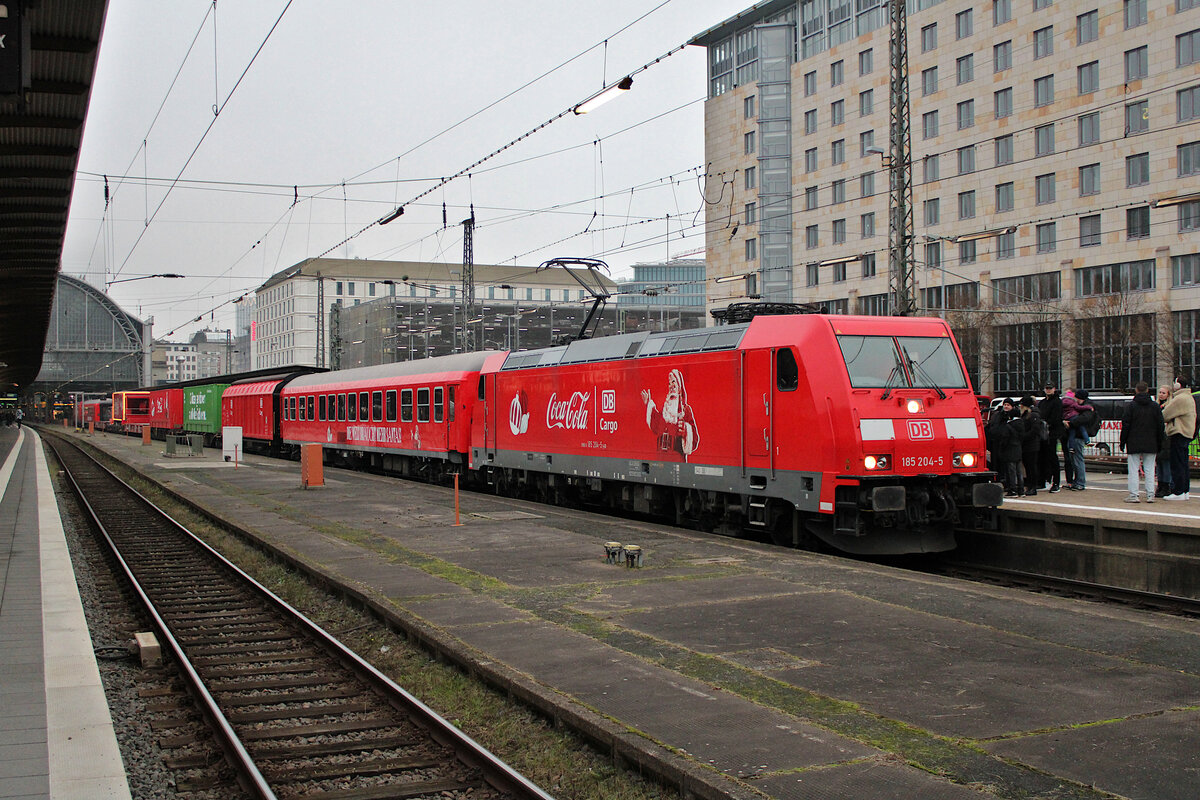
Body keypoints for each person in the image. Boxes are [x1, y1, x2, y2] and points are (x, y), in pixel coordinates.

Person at [1119, 382, 1165, 503]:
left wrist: (1122, 442)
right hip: (1151, 442)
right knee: (1150, 469)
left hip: (1133, 441)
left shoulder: (1131, 406)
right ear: (1148, 390)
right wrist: (1160, 442)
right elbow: (1160, 425)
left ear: (1136, 390)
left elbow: (1126, 425)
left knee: (1133, 470)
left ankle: (1134, 495)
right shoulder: (1155, 406)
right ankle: (1150, 495)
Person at [1162, 376, 1197, 501]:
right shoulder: (1188, 397)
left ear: (1178, 385)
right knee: (1183, 463)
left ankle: (1178, 491)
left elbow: (1165, 414)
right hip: (1186, 433)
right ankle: (1185, 490)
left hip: (1179, 432)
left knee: (1177, 463)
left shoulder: (1180, 398)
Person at [986, 398, 1024, 496]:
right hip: (1016, 448)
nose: (1006, 406)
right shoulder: (1020, 423)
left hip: (1007, 448)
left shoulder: (1008, 424)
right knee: (1018, 471)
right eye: (1005, 404)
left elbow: (1001, 434)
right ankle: (1020, 490)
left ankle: (1013, 489)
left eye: (1008, 405)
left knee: (1011, 470)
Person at [1065, 390, 1097, 491]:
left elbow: (1083, 419)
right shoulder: (1086, 406)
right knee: (1074, 459)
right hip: (1076, 435)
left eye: (1077, 398)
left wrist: (1071, 423)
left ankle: (1080, 482)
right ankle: (1077, 481)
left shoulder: (1088, 407)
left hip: (1079, 436)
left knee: (1078, 459)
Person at [1037, 383, 1063, 493]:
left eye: (1050, 388)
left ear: (1054, 389)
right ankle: (1043, 480)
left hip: (1052, 433)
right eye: (1046, 388)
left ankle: (1056, 482)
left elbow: (1056, 418)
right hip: (1042, 433)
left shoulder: (1057, 402)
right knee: (1042, 458)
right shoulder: (1042, 402)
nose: (1048, 390)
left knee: (1052, 458)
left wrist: (1047, 423)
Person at [1018, 396, 1043, 496]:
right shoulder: (1026, 415)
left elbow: (1035, 430)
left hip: (1031, 445)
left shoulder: (1033, 415)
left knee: (1031, 466)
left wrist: (1024, 436)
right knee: (1028, 467)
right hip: (1026, 445)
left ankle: (1033, 487)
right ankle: (1030, 486)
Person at [1156, 385, 1174, 498]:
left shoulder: (1170, 406)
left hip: (1167, 437)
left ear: (1168, 394)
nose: (1161, 394)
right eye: (1160, 392)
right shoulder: (1156, 405)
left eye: (1164, 393)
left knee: (1166, 462)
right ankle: (1161, 484)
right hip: (1158, 436)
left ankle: (1167, 485)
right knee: (1159, 462)